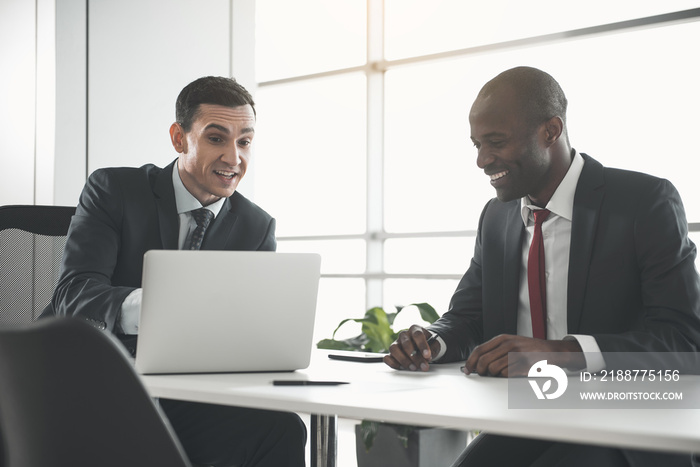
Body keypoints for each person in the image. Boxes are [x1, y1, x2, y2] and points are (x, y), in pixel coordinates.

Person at [384, 66, 700, 466]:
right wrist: (432, 342)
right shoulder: (497, 218)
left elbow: (684, 342)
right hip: (529, 416)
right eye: (476, 144)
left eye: (496, 142)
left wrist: (561, 353)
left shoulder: (643, 202)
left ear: (550, 131)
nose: (482, 159)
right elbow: (468, 318)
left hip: (625, 425)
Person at [41, 76, 306, 467]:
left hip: (186, 399)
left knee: (280, 427)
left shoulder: (256, 226)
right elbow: (74, 293)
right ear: (179, 139)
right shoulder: (115, 189)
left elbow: (250, 332)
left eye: (244, 141)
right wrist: (157, 307)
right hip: (86, 385)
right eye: (217, 138)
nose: (234, 158)